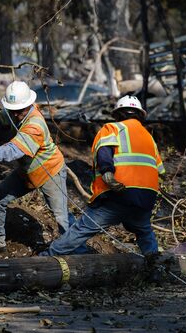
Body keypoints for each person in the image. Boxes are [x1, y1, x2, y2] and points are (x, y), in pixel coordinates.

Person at [39, 95, 165, 256]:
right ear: (140, 115)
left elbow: (104, 152)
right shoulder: (149, 138)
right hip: (146, 197)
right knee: (144, 231)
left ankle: (48, 257)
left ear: (118, 114)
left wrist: (107, 173)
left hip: (119, 193)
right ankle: (156, 267)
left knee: (83, 228)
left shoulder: (112, 128)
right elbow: (160, 170)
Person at [0, 81, 73, 252]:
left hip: (50, 171)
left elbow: (11, 152)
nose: (17, 114)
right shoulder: (14, 112)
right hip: (27, 171)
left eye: (21, 110)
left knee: (61, 216)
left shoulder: (35, 125)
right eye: (14, 110)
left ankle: (71, 251)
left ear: (29, 104)